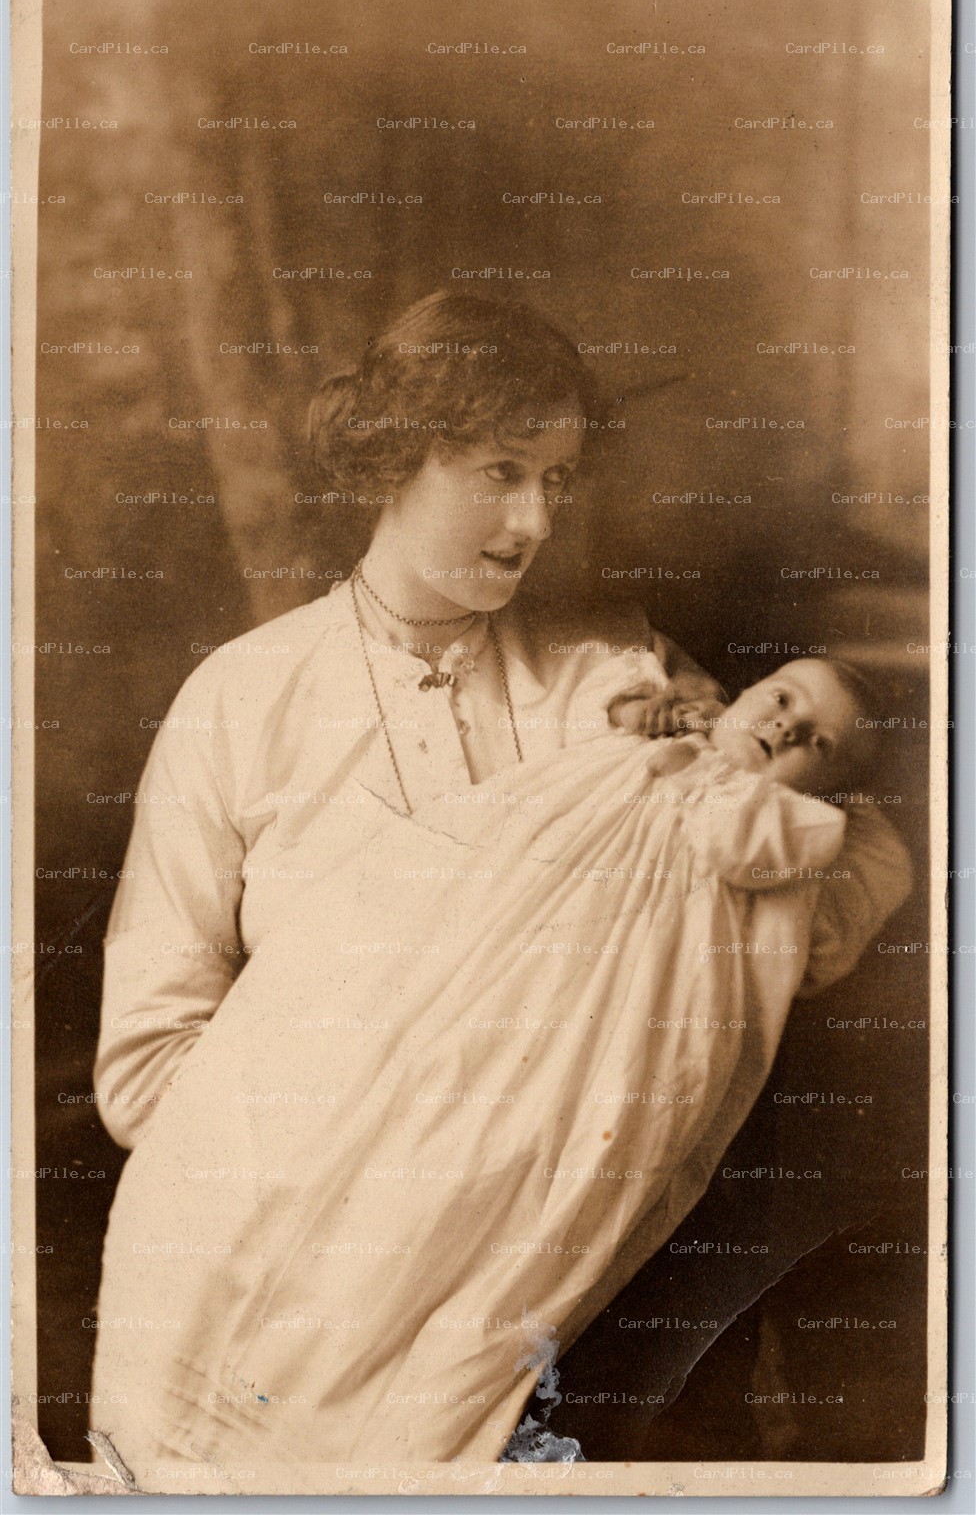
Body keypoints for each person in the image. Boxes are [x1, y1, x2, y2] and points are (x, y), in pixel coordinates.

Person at [90, 648, 910, 1484]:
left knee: (485, 1190)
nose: (785, 726)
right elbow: (610, 693)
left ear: (833, 788)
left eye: (818, 742)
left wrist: (810, 793)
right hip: (485, 948)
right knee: (361, 1091)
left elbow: (854, 877)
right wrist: (673, 709)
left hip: (606, 1028)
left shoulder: (800, 841)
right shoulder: (639, 724)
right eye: (781, 699)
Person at [94, 289, 724, 1152]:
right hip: (297, 1219)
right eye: (503, 471)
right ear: (398, 456)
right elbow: (145, 1070)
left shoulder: (614, 673)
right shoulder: (239, 701)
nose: (534, 521)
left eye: (555, 480)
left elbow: (747, 904)